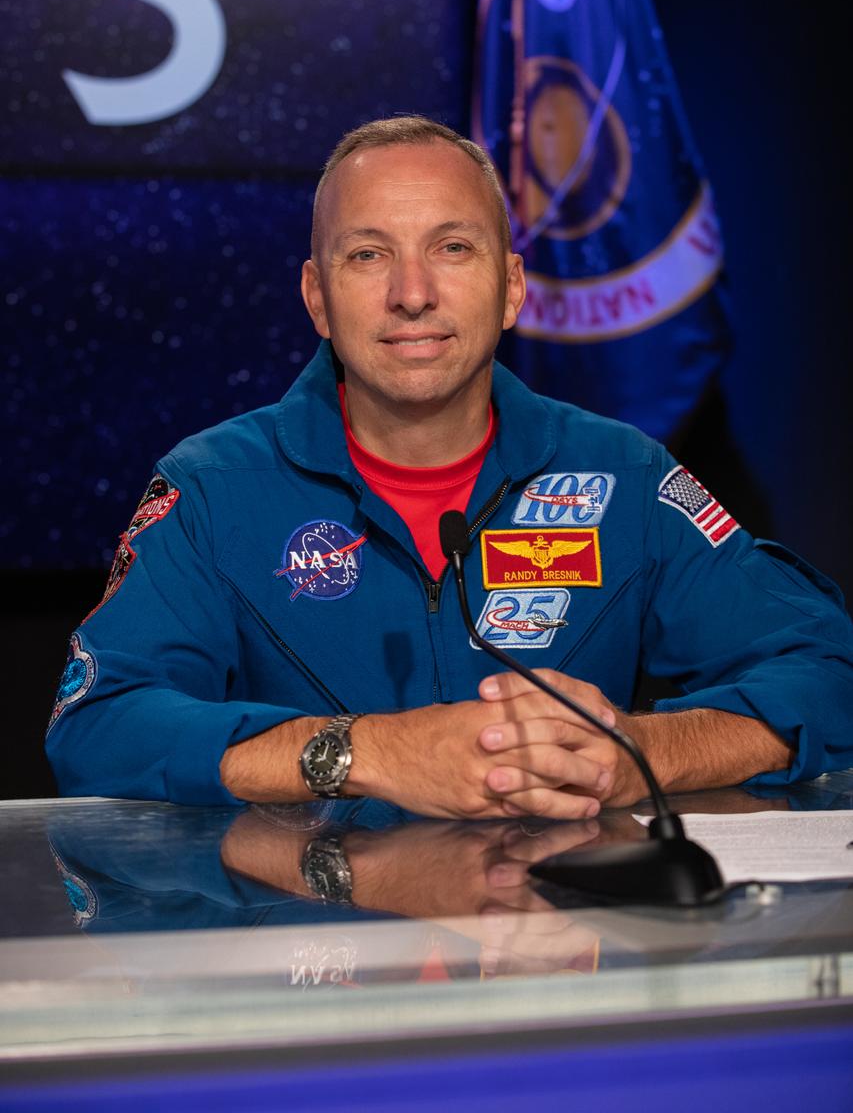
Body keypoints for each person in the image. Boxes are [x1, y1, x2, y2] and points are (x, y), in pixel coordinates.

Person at [47, 117, 853, 816]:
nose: (412, 293)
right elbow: (98, 724)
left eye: (453, 248)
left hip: (554, 958)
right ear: (317, 297)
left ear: (510, 286)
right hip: (308, 954)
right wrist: (360, 753)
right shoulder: (212, 488)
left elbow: (826, 670)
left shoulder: (621, 476)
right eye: (367, 255)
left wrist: (637, 753)